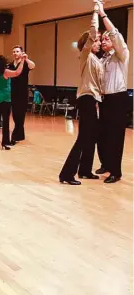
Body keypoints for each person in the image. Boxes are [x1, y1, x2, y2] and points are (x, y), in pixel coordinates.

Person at [58, 1, 103, 185]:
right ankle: (67, 174)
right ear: (89, 43)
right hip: (86, 98)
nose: (98, 42)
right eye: (97, 40)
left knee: (91, 136)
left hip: (94, 99)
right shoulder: (86, 55)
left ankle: (85, 170)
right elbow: (92, 32)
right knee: (84, 137)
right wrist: (96, 11)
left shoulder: (97, 60)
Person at [95, 0, 130, 183]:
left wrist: (102, 13)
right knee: (102, 133)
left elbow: (115, 35)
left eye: (106, 39)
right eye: (103, 39)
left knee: (115, 136)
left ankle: (115, 171)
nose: (104, 41)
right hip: (104, 99)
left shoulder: (122, 55)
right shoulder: (102, 60)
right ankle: (106, 164)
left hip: (117, 98)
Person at [0, 55, 26, 150]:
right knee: (5, 121)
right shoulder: (5, 72)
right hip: (5, 98)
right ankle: (5, 142)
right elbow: (17, 72)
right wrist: (22, 61)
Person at [8, 45, 35, 144]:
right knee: (15, 115)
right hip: (13, 92)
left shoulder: (25, 63)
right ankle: (20, 135)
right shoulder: (10, 65)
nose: (15, 53)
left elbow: (33, 66)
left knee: (21, 115)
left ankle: (15, 136)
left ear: (21, 52)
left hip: (23, 92)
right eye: (14, 51)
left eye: (17, 51)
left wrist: (26, 59)